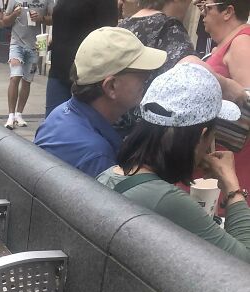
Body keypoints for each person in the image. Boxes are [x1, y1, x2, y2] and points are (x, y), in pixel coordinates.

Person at [99, 62, 250, 261]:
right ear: (202, 136)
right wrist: (232, 185)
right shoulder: (165, 199)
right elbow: (244, 261)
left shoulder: (109, 174)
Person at [35, 27, 166, 176]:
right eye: (142, 73)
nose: (147, 79)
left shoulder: (60, 113)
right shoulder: (97, 155)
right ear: (111, 86)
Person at [202, 0, 250, 192]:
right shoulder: (233, 41)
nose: (202, 15)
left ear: (228, 11)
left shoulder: (241, 42)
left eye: (206, 8)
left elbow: (247, 102)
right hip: (217, 158)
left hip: (230, 160)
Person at [45, 0, 118, 116]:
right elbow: (66, 23)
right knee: (52, 125)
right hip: (58, 70)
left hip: (86, 76)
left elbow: (107, 34)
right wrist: (55, 41)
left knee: (82, 126)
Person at [0, 0, 53, 129]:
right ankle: (10, 115)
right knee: (15, 76)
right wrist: (14, 15)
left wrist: (41, 18)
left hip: (36, 45)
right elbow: (4, 22)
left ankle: (19, 114)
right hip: (16, 43)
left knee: (27, 80)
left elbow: (53, 19)